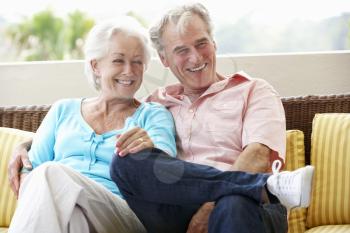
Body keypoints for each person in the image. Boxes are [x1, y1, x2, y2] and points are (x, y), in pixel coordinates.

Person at [8, 3, 314, 233]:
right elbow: (148, 167)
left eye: (201, 43)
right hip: (174, 213)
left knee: (231, 203)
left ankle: (259, 188)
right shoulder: (160, 102)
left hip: (244, 207)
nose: (195, 57)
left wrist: (211, 204)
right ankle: (264, 184)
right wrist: (26, 145)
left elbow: (259, 154)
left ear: (215, 42)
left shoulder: (253, 91)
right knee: (126, 161)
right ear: (165, 60)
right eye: (181, 50)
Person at [7, 17, 177, 233]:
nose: (129, 70)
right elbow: (31, 171)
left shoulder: (153, 115)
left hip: (123, 214)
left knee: (51, 173)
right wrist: (24, 147)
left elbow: (167, 171)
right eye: (118, 60)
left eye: (137, 62)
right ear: (96, 66)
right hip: (68, 214)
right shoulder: (63, 110)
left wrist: (151, 151)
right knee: (74, 218)